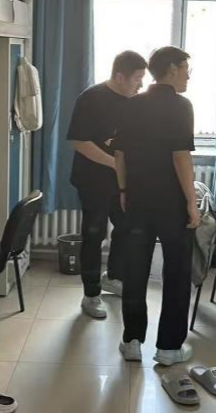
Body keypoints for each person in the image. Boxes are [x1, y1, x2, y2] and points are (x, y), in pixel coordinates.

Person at [114, 47, 200, 366]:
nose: (188, 76)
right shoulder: (181, 106)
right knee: (176, 272)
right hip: (172, 204)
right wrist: (191, 202)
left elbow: (119, 155)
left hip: (138, 200)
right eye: (186, 69)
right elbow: (181, 157)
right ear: (172, 69)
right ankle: (168, 348)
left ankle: (132, 341)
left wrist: (124, 190)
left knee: (135, 270)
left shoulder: (132, 104)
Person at [67, 51, 147, 319]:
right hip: (93, 181)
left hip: (123, 183)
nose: (140, 85)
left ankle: (113, 277)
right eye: (137, 79)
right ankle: (90, 294)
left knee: (126, 229)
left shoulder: (135, 101)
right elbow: (80, 142)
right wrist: (115, 163)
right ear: (120, 76)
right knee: (94, 233)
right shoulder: (90, 99)